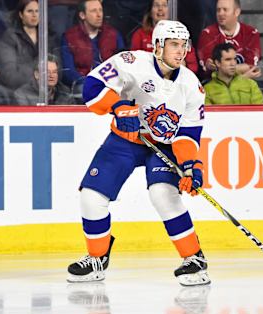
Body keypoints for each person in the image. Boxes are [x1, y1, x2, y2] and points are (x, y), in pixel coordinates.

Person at [67, 20, 210, 287]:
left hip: (163, 146)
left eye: (184, 45)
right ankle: (97, 258)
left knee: (162, 194)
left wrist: (191, 166)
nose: (181, 52)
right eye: (174, 45)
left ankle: (194, 259)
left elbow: (188, 134)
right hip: (125, 140)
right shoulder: (130, 62)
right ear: (158, 46)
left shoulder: (192, 86)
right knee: (91, 196)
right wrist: (119, 106)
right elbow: (91, 88)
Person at [61, 0, 125, 90]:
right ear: (82, 15)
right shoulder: (69, 37)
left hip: (111, 85)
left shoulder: (114, 35)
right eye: (94, 11)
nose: (99, 15)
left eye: (100, 10)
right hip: (83, 85)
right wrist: (89, 82)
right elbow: (68, 71)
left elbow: (123, 65)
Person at [197, 0, 261, 81]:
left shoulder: (251, 33)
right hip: (215, 82)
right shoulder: (207, 34)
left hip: (246, 82)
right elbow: (210, 68)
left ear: (237, 12)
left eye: (225, 9)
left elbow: (251, 67)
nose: (220, 13)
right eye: (218, 10)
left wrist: (222, 69)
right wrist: (242, 74)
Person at [130, 0, 199, 74]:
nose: (160, 9)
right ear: (150, 12)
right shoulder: (139, 34)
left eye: (164, 5)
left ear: (170, 11)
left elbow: (193, 67)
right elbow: (134, 62)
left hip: (175, 80)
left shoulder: (181, 33)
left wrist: (182, 68)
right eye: (156, 5)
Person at [0, 0, 39, 89]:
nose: (34, 15)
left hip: (46, 89)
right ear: (21, 15)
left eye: (37, 11)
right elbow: (10, 76)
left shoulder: (48, 36)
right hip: (21, 90)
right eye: (30, 11)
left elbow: (57, 70)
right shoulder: (11, 36)